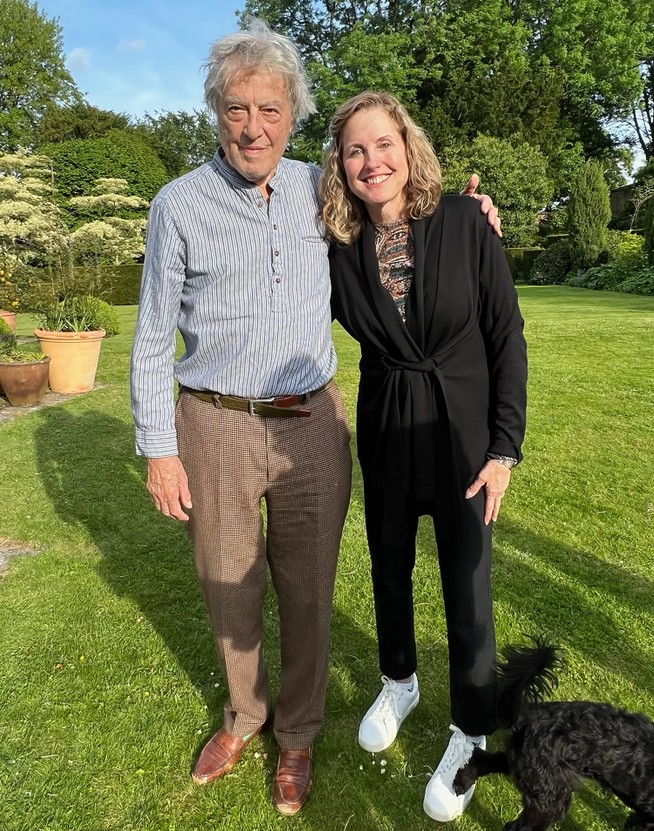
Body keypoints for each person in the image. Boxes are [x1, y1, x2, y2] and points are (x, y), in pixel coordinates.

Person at [130, 20, 500, 816]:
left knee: (308, 587)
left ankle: (295, 734)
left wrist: (470, 216)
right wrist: (159, 448)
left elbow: (398, 220)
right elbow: (152, 333)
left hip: (312, 423)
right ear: (215, 112)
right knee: (228, 587)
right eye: (237, 109)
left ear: (292, 115)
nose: (253, 127)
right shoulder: (177, 205)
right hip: (215, 421)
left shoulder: (316, 190)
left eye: (270, 109)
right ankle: (243, 717)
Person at [319, 91, 527, 823]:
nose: (370, 161)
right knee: (387, 563)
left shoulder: (468, 222)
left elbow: (506, 336)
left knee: (467, 585)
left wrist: (504, 448)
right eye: (353, 150)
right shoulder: (336, 247)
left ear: (408, 149)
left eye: (382, 144)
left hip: (467, 435)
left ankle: (469, 731)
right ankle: (398, 679)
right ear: (339, 168)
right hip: (386, 429)